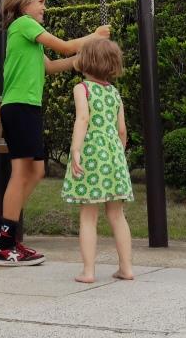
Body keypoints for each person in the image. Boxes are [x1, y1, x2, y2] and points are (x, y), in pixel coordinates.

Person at [0, 0, 110, 266]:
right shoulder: (24, 25)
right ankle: (5, 241)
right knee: (21, 173)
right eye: (41, 2)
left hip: (28, 107)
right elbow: (65, 47)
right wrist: (94, 36)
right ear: (24, 2)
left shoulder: (29, 36)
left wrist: (80, 62)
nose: (45, 8)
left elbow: (54, 66)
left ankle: (5, 232)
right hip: (18, 107)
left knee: (38, 171)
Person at [61, 37, 134, 283]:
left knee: (88, 216)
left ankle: (89, 271)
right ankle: (126, 268)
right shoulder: (114, 93)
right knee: (117, 215)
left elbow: (82, 119)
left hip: (92, 155)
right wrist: (119, 154)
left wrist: (76, 149)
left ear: (85, 62)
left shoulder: (82, 89)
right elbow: (122, 130)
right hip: (114, 158)